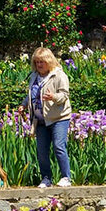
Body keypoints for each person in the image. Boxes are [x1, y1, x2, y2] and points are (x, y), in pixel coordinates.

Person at [24, 47, 72, 188]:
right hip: (40, 119)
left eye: (42, 62)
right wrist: (24, 104)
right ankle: (46, 178)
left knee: (58, 146)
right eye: (37, 62)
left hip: (58, 117)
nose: (39, 65)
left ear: (49, 61)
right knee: (42, 151)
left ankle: (66, 177)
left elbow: (64, 95)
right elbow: (30, 94)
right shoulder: (34, 76)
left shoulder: (59, 75)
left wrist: (53, 97)